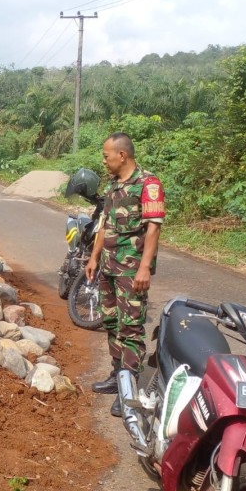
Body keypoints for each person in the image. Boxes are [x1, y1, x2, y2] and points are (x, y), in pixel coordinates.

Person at [85, 133, 165, 417]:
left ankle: (128, 388)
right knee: (111, 321)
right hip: (108, 266)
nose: (103, 161)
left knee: (130, 327)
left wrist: (144, 267)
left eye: (106, 156)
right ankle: (117, 375)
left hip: (131, 269)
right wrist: (94, 257)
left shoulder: (148, 184)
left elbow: (154, 227)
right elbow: (104, 224)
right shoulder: (113, 184)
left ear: (122, 155)